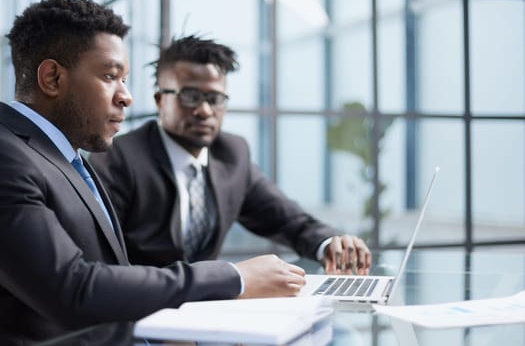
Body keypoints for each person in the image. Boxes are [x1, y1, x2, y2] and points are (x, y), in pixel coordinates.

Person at [0, 0, 306, 344]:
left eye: (125, 79)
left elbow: (111, 278)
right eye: (110, 76)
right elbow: (73, 289)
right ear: (53, 78)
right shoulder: (8, 155)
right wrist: (232, 277)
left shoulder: (67, 156)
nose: (127, 97)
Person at [89, 35, 372, 275]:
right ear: (160, 100)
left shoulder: (232, 154)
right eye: (190, 96)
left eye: (215, 98)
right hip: (137, 320)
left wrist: (330, 243)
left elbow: (288, 220)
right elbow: (102, 268)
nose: (204, 111)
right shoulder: (118, 158)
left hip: (206, 316)